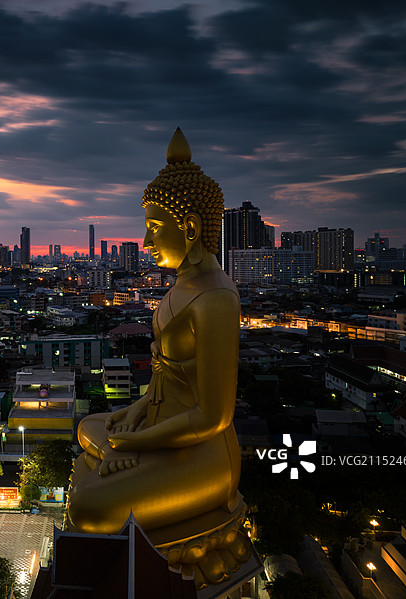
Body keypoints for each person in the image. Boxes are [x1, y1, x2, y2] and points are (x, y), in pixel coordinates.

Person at [67, 128, 242, 539]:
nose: (145, 241)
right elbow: (165, 382)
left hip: (201, 449)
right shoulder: (180, 286)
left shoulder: (216, 298)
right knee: (88, 426)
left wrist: (139, 441)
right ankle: (117, 456)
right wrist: (137, 411)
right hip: (159, 427)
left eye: (155, 227)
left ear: (192, 229)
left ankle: (118, 460)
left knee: (89, 507)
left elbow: (214, 416)